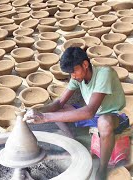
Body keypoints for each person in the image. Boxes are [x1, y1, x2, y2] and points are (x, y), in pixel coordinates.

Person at [23, 47, 130, 180]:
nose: (72, 76)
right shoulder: (77, 78)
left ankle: (102, 169)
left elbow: (90, 111)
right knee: (58, 110)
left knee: (104, 121)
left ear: (85, 65)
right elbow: (60, 102)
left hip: (114, 116)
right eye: (70, 74)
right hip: (95, 115)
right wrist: (37, 111)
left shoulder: (104, 73)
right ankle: (74, 144)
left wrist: (45, 118)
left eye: (74, 71)